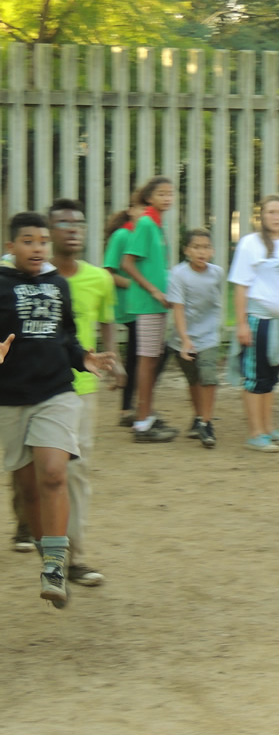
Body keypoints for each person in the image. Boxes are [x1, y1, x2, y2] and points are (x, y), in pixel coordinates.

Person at [1, 211, 114, 608]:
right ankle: (43, 546)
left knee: (53, 474)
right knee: (28, 490)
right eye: (28, 241)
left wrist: (84, 358)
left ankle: (54, 567)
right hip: (10, 398)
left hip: (56, 392)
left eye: (42, 241)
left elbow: (65, 335)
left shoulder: (57, 284)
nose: (37, 248)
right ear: (10, 246)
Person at [229, 195, 279, 453]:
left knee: (272, 377)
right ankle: (255, 433)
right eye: (271, 212)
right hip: (259, 323)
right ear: (262, 216)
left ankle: (268, 428)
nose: (277, 217)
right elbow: (240, 287)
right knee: (256, 378)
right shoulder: (250, 244)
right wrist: (242, 324)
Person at [120, 176, 178, 442]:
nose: (167, 198)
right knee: (146, 360)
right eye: (161, 194)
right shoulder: (145, 223)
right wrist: (154, 290)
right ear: (149, 197)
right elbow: (127, 263)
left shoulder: (156, 225)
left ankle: (147, 417)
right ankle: (142, 424)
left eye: (170, 193)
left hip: (157, 305)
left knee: (152, 359)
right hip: (148, 304)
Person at [168, 229, 224, 448]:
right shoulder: (178, 274)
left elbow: (216, 302)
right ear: (187, 251)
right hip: (183, 338)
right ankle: (199, 416)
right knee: (194, 380)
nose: (202, 252)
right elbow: (178, 308)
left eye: (206, 247)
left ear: (213, 251)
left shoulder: (217, 273)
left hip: (208, 336)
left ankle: (206, 423)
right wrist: (185, 339)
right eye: (196, 247)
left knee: (208, 377)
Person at [102, 200, 145, 427]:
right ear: (131, 210)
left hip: (143, 305)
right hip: (127, 305)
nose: (144, 212)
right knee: (138, 356)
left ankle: (131, 405)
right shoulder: (121, 236)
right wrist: (134, 285)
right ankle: (127, 408)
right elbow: (107, 273)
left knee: (141, 355)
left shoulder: (146, 235)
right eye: (141, 207)